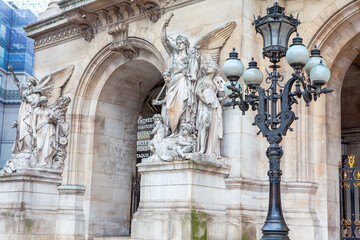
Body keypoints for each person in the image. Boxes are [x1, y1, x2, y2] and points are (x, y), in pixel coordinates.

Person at [161, 15, 199, 134]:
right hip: (173, 81)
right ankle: (173, 131)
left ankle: (181, 132)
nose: (178, 44)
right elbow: (164, 41)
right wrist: (164, 27)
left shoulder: (189, 56)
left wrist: (196, 58)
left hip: (182, 80)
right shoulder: (174, 54)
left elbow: (195, 70)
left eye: (181, 42)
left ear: (185, 44)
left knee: (182, 105)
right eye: (177, 42)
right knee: (169, 107)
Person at [31, 97, 57, 168]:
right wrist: (34, 132)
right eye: (43, 102)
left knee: (47, 145)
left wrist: (52, 119)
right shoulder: (37, 110)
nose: (44, 103)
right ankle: (38, 162)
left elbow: (55, 121)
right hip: (40, 130)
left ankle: (46, 163)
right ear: (40, 102)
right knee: (39, 147)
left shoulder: (50, 110)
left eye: (45, 102)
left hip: (49, 129)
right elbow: (33, 122)